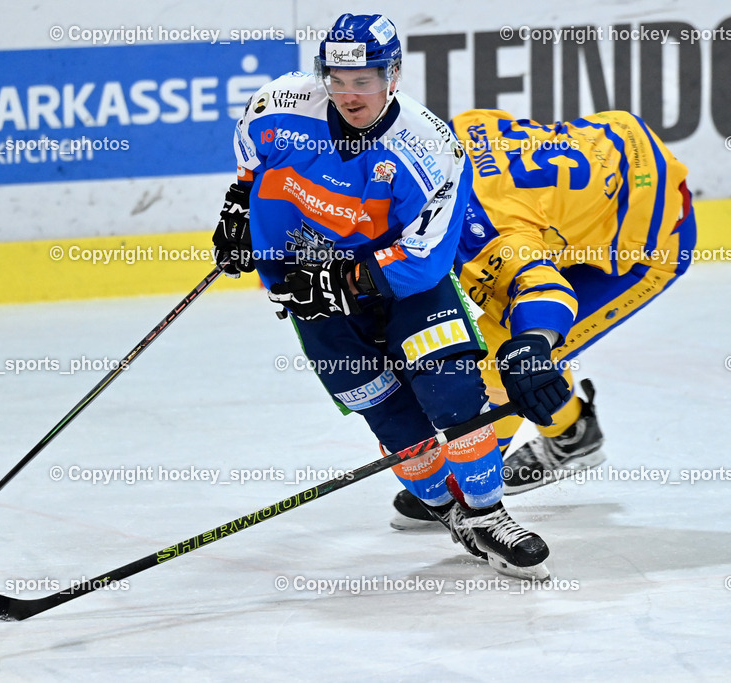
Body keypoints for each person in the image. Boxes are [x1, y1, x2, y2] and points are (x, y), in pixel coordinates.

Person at [212, 14, 557, 580]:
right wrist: (237, 213)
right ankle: (449, 512)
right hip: (307, 289)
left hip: (404, 287)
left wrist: (341, 283)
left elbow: (425, 259)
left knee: (454, 395)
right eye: (338, 79)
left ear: (392, 74)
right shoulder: (278, 104)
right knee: (393, 421)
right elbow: (251, 165)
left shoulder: (429, 145)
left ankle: (490, 514)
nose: (349, 94)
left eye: (364, 79)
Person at [391, 108, 697, 528]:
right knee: (511, 342)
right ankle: (571, 433)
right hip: (616, 154)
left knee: (508, 357)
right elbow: (490, 122)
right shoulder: (449, 133)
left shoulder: (490, 238)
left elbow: (542, 291)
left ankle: (475, 473)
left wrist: (533, 343)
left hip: (648, 244)